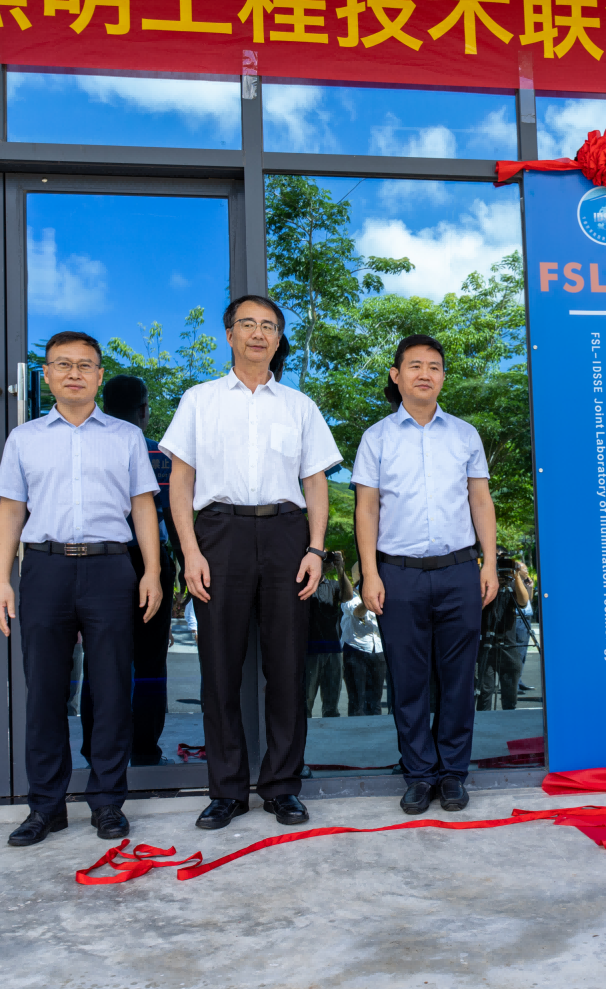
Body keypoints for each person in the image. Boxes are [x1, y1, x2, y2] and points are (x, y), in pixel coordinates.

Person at [162, 294, 339, 830]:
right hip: (220, 534)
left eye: (269, 326)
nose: (259, 334)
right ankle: (227, 791)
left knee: (286, 668)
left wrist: (315, 548)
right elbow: (180, 482)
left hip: (286, 535)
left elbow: (315, 482)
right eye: (248, 324)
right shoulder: (199, 400)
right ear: (230, 334)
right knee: (219, 671)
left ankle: (282, 787)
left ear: (278, 338)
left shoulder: (299, 406)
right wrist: (190, 551)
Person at [0, 331, 163, 848]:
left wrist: (152, 572)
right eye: (63, 364)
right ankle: (45, 806)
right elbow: (11, 511)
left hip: (111, 569)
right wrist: (2, 580)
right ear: (47, 375)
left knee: (111, 689)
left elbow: (143, 506)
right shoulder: (24, 438)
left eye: (85, 365)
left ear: (99, 376)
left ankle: (108, 802)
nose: (74, 373)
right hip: (45, 569)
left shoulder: (126, 438)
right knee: (44, 691)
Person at [354, 334, 499, 814]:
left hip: (459, 571)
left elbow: (480, 501)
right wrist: (370, 573)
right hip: (398, 574)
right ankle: (419, 773)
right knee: (408, 678)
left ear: (442, 378)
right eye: (414, 365)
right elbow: (366, 508)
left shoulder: (464, 435)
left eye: (434, 366)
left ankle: (453, 773)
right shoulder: (377, 437)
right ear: (396, 376)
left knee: (458, 678)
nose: (425, 373)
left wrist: (489, 563)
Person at [79, 374, 180, 766]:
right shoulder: (159, 455)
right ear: (144, 410)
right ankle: (144, 746)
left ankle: (96, 747)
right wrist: (185, 566)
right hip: (150, 562)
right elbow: (174, 515)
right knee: (150, 659)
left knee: (99, 656)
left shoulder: (83, 449)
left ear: (104, 406)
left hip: (100, 561)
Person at [477, 551, 533, 711]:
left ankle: (510, 718)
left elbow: (523, 602)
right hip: (486, 643)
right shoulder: (483, 583)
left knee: (510, 692)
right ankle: (484, 721)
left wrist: (516, 577)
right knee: (485, 692)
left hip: (508, 644)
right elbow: (478, 606)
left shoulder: (512, 584)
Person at [304, 552, 349, 718]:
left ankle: (332, 731)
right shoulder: (303, 584)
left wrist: (340, 569)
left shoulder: (333, 585)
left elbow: (347, 596)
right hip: (309, 650)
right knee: (305, 701)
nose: (326, 561)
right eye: (323, 558)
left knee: (332, 704)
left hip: (333, 649)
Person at [339, 574, 386, 716]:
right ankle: (356, 730)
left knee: (376, 701)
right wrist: (369, 600)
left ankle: (376, 730)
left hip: (378, 650)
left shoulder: (383, 594)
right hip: (355, 651)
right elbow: (357, 613)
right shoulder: (352, 594)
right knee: (357, 701)